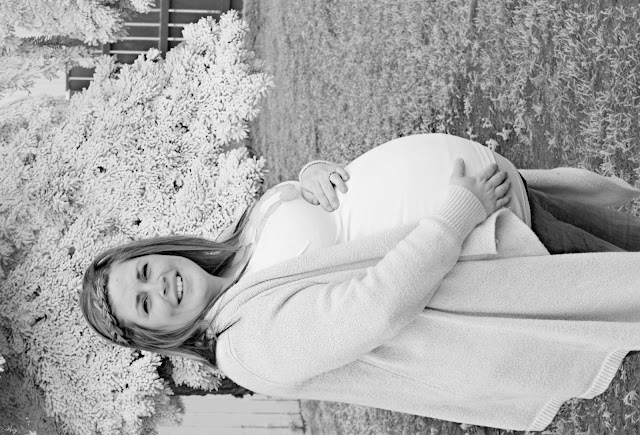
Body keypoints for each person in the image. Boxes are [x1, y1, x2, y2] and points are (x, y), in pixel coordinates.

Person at [81, 133, 640, 432]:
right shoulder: (246, 349)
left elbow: (316, 220)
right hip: (496, 253)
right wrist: (456, 214)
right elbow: (373, 308)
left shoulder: (234, 259)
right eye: (145, 305)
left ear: (156, 251)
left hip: (503, 210)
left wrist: (310, 176)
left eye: (145, 271)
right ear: (155, 336)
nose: (160, 286)